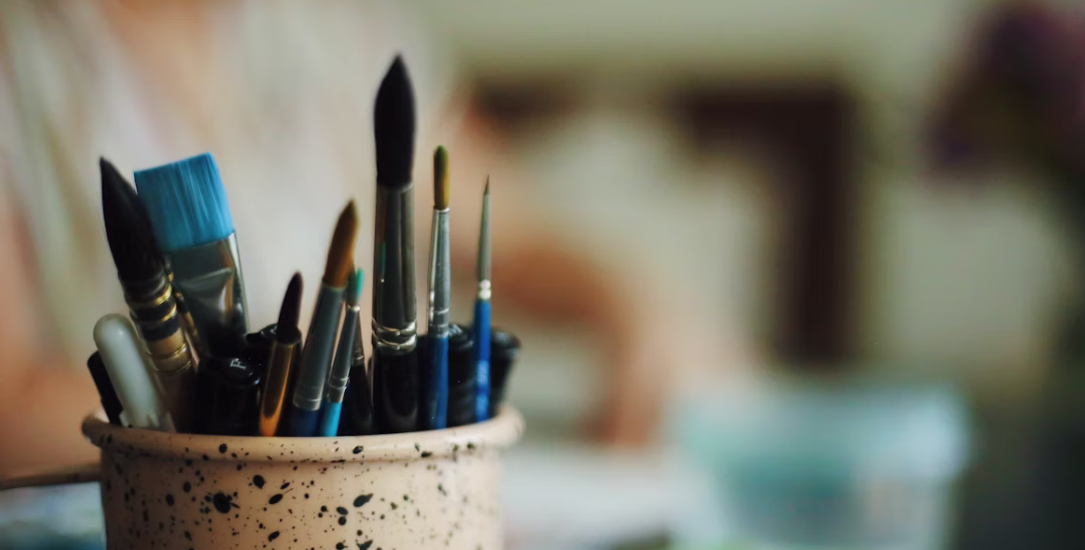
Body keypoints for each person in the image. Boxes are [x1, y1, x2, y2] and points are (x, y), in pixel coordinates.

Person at [0, 0, 705, 477]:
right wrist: (252, 429)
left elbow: (515, 236)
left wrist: (630, 300)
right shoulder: (21, 52)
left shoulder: (332, 24)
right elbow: (10, 409)